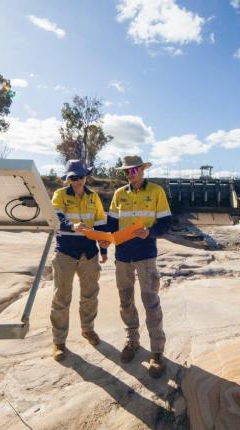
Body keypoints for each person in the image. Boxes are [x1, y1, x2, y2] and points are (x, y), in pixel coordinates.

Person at [107, 155, 172, 378]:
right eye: (128, 170)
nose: (131, 173)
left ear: (143, 170)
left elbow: (165, 223)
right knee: (125, 301)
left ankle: (157, 352)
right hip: (123, 255)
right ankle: (132, 341)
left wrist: (150, 232)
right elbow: (111, 224)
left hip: (146, 256)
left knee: (151, 303)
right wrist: (104, 239)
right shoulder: (119, 194)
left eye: (135, 169)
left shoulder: (156, 192)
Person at [50, 160, 109, 361]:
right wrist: (72, 226)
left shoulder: (94, 197)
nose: (77, 181)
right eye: (73, 177)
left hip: (89, 253)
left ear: (86, 177)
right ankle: (59, 341)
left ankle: (88, 329)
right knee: (61, 297)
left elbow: (101, 224)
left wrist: (103, 250)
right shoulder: (59, 195)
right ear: (68, 179)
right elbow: (56, 217)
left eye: (80, 177)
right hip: (65, 253)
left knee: (90, 295)